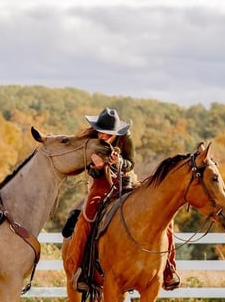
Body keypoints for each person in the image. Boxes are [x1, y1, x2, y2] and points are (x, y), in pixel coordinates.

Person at [63, 107, 180, 292]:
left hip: (128, 181)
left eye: (108, 133)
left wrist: (118, 163)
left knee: (163, 214)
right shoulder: (91, 142)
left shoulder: (126, 138)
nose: (103, 136)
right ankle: (80, 270)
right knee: (87, 217)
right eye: (101, 132)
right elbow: (90, 170)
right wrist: (98, 167)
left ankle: (168, 269)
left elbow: (130, 163)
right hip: (102, 182)